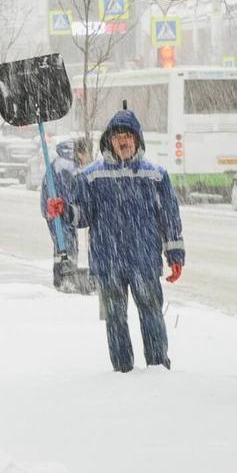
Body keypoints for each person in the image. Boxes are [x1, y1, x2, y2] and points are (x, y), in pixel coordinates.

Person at [46, 110, 184, 372]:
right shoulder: (91, 177)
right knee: (115, 318)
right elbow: (82, 216)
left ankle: (157, 366)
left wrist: (175, 255)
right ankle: (122, 370)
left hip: (144, 260)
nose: (123, 141)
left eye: (128, 136)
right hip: (108, 262)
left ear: (137, 140)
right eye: (118, 136)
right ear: (109, 141)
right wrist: (64, 209)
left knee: (151, 314)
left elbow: (170, 218)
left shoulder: (155, 176)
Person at [38, 136, 90, 292]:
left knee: (62, 246)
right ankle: (65, 279)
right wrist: (72, 209)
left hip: (55, 212)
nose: (88, 158)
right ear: (80, 152)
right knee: (66, 246)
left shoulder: (62, 163)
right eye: (87, 153)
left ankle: (62, 277)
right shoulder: (67, 166)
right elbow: (69, 193)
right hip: (60, 213)